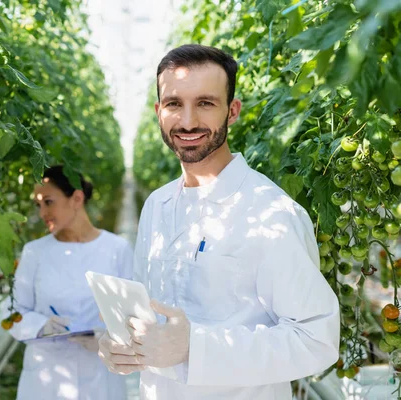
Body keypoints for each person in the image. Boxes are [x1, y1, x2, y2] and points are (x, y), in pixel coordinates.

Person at [97, 44, 340, 399]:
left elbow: (316, 340)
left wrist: (195, 347)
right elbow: (150, 317)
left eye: (206, 103)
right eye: (174, 104)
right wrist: (122, 345)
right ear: (158, 112)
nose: (189, 121)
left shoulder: (269, 213)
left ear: (232, 111)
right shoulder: (157, 205)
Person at [6, 165, 132, 400]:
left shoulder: (117, 249)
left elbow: (133, 314)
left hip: (100, 375)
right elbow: (12, 312)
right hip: (46, 378)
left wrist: (110, 339)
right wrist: (42, 326)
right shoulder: (35, 252)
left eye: (48, 202)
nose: (42, 212)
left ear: (76, 198)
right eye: (38, 205)